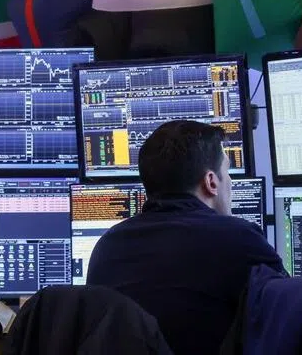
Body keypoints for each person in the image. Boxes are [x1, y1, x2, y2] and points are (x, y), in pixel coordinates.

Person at [86, 121, 283, 355]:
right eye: (227, 172)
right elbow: (295, 315)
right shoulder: (239, 238)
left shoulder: (106, 246)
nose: (229, 181)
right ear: (211, 182)